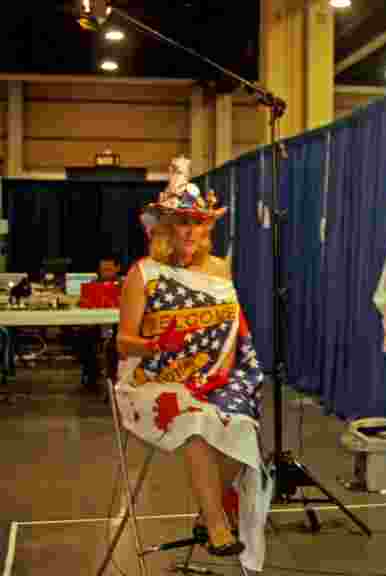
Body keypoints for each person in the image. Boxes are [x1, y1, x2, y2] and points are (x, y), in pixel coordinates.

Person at [114, 157, 267, 563]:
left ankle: (207, 511)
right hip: (151, 381)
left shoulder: (218, 270)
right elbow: (123, 343)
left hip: (213, 375)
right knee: (198, 424)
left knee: (243, 426)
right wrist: (155, 346)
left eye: (198, 223)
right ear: (163, 227)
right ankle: (217, 524)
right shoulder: (143, 273)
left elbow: (231, 331)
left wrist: (220, 370)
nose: (190, 232)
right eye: (182, 222)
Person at [75, 254, 122, 393]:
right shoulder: (92, 285)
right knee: (82, 337)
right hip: (96, 325)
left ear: (117, 268)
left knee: (115, 344)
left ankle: (114, 378)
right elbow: (82, 303)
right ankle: (91, 376)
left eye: (109, 269)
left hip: (117, 326)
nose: (105, 273)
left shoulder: (126, 285)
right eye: (103, 270)